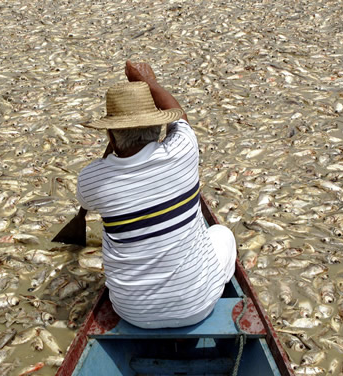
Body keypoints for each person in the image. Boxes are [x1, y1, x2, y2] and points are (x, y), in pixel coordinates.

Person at [76, 61, 236, 329]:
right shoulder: (183, 150)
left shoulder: (92, 178)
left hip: (132, 312)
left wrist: (113, 147)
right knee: (223, 235)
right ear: (158, 128)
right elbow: (179, 116)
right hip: (197, 306)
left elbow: (87, 198)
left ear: (111, 137)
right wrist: (150, 82)